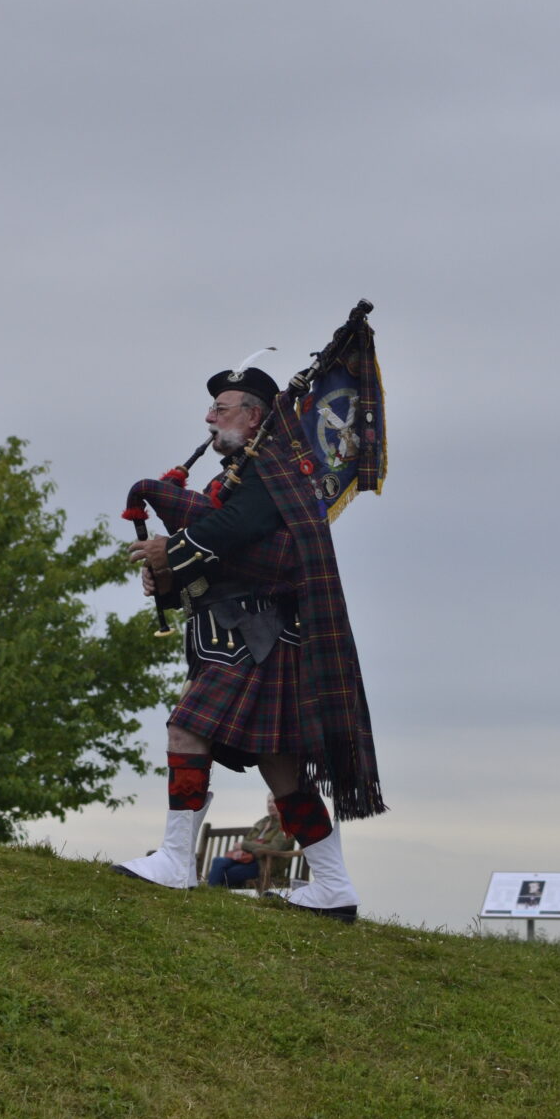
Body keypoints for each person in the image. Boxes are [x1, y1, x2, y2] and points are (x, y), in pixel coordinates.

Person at [112, 362, 385, 922]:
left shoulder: (273, 471)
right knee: (280, 767)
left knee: (186, 728)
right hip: (242, 634)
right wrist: (169, 572)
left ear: (255, 417)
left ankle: (175, 861)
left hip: (254, 636)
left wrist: (165, 515)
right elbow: (229, 551)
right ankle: (333, 887)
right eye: (211, 409)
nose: (209, 417)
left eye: (222, 407)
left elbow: (240, 537)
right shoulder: (236, 478)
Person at [207, 793, 295, 890]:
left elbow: (273, 848)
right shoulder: (263, 822)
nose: (270, 805)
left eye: (274, 801)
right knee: (218, 861)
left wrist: (244, 845)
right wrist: (241, 850)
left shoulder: (286, 825)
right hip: (246, 858)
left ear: (282, 804)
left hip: (264, 864)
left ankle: (210, 893)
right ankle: (210, 893)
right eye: (269, 801)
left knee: (229, 873)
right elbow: (247, 840)